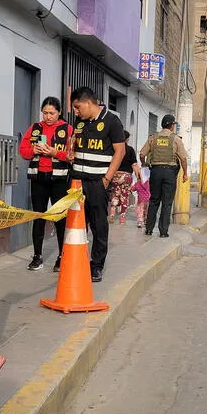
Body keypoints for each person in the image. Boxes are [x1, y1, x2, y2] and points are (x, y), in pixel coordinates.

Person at [69, 87, 126, 282]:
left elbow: (120, 152)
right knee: (77, 223)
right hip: (77, 181)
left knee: (98, 224)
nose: (76, 112)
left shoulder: (111, 122)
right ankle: (77, 260)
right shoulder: (79, 122)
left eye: (77, 107)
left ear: (88, 103)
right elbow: (74, 143)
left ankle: (97, 264)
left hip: (97, 183)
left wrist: (107, 178)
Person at [19, 96, 72, 272]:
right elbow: (23, 150)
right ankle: (37, 256)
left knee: (59, 218)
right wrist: (33, 150)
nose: (48, 116)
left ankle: (61, 256)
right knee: (38, 216)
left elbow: (72, 155)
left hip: (58, 180)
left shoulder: (67, 129)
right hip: (38, 178)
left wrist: (54, 152)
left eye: (52, 113)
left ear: (59, 113)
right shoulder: (35, 128)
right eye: (45, 113)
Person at [139, 114, 188, 238]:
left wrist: (144, 164)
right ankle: (163, 232)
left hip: (155, 172)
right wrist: (185, 173)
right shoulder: (176, 139)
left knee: (154, 200)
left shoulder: (153, 138)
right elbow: (183, 158)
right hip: (170, 173)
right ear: (172, 126)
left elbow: (142, 154)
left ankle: (149, 229)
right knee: (167, 203)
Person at [108, 130, 141, 224]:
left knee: (115, 194)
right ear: (127, 139)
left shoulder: (113, 149)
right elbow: (134, 164)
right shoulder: (130, 150)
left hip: (115, 174)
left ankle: (112, 214)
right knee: (124, 196)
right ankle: (122, 218)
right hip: (126, 176)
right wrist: (138, 176)